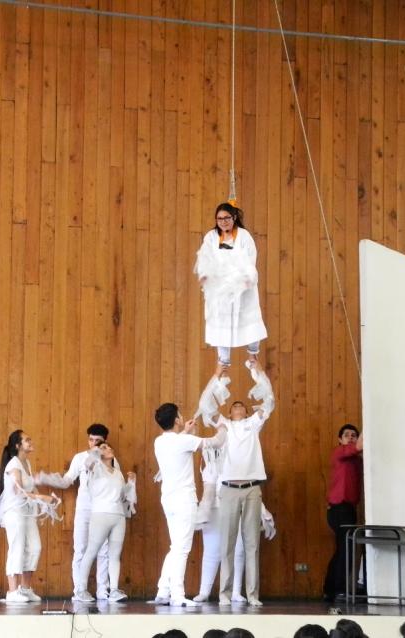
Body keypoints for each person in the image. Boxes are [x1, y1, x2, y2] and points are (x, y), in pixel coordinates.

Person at [152, 402, 226, 607]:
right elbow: (217, 442)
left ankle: (163, 591)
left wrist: (185, 432)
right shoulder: (183, 441)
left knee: (175, 546)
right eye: (180, 415)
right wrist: (222, 426)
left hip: (168, 499)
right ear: (176, 419)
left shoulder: (160, 442)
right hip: (184, 500)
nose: (182, 416)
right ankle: (177, 595)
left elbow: (179, 442)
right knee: (182, 548)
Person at [35, 423, 114, 599]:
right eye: (91, 439)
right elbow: (66, 481)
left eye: (97, 440)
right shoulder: (80, 458)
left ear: (104, 441)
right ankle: (79, 590)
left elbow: (117, 482)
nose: (93, 443)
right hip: (84, 508)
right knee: (81, 548)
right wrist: (44, 478)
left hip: (103, 509)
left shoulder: (110, 457)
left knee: (104, 550)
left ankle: (103, 590)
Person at [194, 202, 267, 378]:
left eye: (227, 218)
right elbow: (204, 256)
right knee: (221, 322)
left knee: (249, 318)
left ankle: (252, 354)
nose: (223, 222)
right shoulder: (211, 237)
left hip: (241, 285)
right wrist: (204, 274)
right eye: (220, 219)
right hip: (220, 288)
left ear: (234, 218)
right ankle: (223, 361)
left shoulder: (244, 236)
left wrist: (246, 278)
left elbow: (250, 258)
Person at [0, 430, 59, 603]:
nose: (31, 442)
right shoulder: (14, 465)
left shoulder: (26, 463)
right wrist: (42, 498)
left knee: (35, 547)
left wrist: (47, 502)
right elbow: (19, 491)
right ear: (18, 445)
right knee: (17, 547)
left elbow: (31, 488)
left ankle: (25, 589)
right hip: (15, 513)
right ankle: (12, 591)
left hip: (27, 512)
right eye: (27, 440)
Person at [217, 399, 273, 607]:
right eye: (234, 406)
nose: (238, 407)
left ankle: (252, 594)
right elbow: (207, 407)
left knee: (252, 544)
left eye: (242, 406)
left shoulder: (252, 424)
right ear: (229, 413)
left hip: (251, 488)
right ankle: (224, 593)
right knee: (227, 544)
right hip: (229, 488)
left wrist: (256, 371)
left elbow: (269, 403)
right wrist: (218, 376)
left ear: (247, 413)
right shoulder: (224, 424)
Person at [73, 441, 136, 603]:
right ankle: (81, 590)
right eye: (104, 448)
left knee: (114, 555)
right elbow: (88, 462)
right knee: (91, 551)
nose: (109, 449)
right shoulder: (95, 468)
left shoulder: (118, 473)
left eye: (109, 447)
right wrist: (95, 451)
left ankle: (114, 590)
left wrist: (131, 483)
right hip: (100, 515)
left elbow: (123, 496)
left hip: (118, 516)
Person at [323, 424, 364, 602]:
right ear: (340, 440)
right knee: (345, 550)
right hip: (339, 508)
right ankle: (338, 590)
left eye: (354, 435)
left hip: (348, 508)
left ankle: (330, 589)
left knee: (343, 550)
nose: (351, 437)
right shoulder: (340, 452)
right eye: (346, 435)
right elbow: (360, 446)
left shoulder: (357, 459)